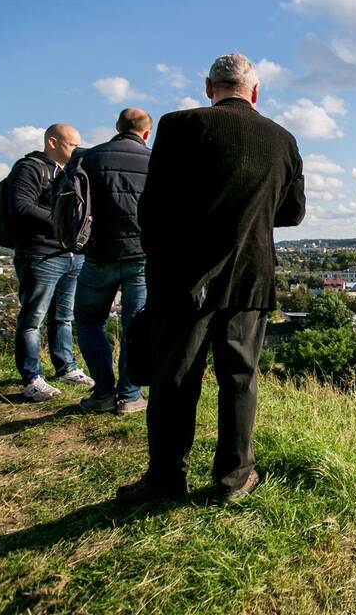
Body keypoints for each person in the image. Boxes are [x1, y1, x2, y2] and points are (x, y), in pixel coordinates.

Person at [117, 54, 305, 505]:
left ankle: (165, 480)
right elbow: (293, 213)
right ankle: (234, 478)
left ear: (209, 87)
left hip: (184, 276)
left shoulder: (178, 126)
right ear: (255, 92)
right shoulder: (282, 139)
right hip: (250, 274)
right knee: (239, 377)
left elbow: (153, 208)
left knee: (176, 379)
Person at [75, 108, 152, 415]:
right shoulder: (155, 161)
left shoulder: (89, 158)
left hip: (99, 254)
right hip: (142, 256)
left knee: (88, 320)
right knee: (135, 326)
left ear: (117, 127)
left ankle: (104, 390)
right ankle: (130, 395)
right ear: (147, 134)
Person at [10, 123, 94, 401]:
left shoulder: (70, 173)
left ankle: (65, 366)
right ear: (52, 142)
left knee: (63, 316)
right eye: (72, 144)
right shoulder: (30, 168)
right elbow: (21, 206)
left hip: (70, 255)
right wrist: (63, 223)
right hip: (40, 254)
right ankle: (32, 377)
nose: (77, 150)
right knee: (33, 318)